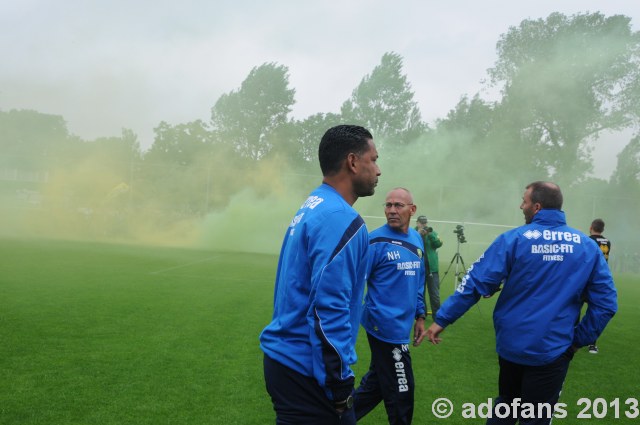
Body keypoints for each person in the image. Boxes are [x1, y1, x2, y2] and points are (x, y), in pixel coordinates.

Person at [426, 181, 617, 425]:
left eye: (524, 201)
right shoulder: (587, 247)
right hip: (553, 350)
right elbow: (607, 303)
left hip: (512, 346)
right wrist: (578, 340)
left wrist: (442, 319)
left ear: (536, 207)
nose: (520, 206)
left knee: (506, 407)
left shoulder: (513, 239)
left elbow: (474, 282)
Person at [260, 125, 381, 425]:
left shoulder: (313, 204)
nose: (378, 170)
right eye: (374, 160)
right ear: (353, 162)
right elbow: (328, 309)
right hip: (307, 370)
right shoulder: (341, 218)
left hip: (285, 361)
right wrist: (339, 385)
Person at [354, 188, 427, 425]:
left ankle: (335, 418)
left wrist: (420, 315)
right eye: (388, 205)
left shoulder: (417, 239)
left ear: (412, 210)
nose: (392, 210)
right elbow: (355, 285)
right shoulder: (375, 241)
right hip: (383, 327)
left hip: (402, 326)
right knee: (402, 392)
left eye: (398, 205)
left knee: (376, 385)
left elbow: (419, 281)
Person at [585, 218, 612, 354]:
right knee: (595, 311)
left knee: (575, 307)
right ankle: (593, 345)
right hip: (601, 279)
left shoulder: (588, 240)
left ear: (591, 227)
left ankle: (569, 339)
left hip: (587, 279)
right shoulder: (607, 241)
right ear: (602, 229)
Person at [415, 215, 443, 317]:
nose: (424, 225)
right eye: (421, 223)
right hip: (419, 269)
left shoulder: (433, 233)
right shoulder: (412, 233)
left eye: (425, 223)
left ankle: (438, 316)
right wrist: (418, 234)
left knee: (434, 294)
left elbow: (439, 244)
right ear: (417, 223)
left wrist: (429, 235)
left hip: (432, 269)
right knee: (420, 294)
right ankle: (422, 314)